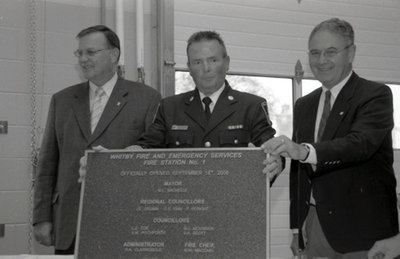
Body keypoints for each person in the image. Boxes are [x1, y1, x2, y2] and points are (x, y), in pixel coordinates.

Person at [262, 18, 398, 258]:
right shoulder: (305, 104)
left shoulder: (375, 95)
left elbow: (359, 145)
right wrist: (296, 229)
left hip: (365, 232)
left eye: (330, 52)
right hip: (315, 227)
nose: (321, 61)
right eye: (315, 53)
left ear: (351, 53)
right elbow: (298, 173)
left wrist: (304, 151)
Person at [32, 25, 161, 254]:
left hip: (125, 221)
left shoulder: (147, 98)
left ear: (113, 55)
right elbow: (48, 163)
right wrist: (42, 217)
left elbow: (154, 159)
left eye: (90, 52)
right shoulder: (62, 100)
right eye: (79, 53)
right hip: (69, 223)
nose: (83, 59)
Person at [133, 30, 282, 179]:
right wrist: (128, 153)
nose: (206, 68)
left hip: (234, 198)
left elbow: (271, 149)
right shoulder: (170, 108)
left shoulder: (252, 107)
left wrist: (277, 163)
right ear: (189, 68)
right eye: (197, 62)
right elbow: (147, 147)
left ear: (227, 62)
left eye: (213, 60)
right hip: (185, 199)